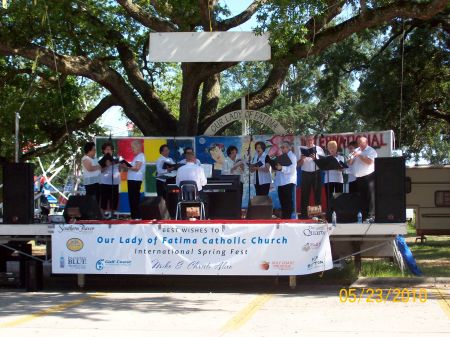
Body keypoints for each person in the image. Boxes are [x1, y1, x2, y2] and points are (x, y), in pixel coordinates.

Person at [348, 136, 378, 219]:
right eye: (358, 142)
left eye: (361, 142)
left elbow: (369, 162)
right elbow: (349, 163)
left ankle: (372, 215)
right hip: (359, 178)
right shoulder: (357, 150)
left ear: (366, 142)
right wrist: (351, 157)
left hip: (369, 176)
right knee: (362, 197)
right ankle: (364, 215)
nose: (359, 144)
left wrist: (359, 155)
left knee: (370, 196)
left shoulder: (371, 150)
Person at [297, 135, 325, 218]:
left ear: (313, 140)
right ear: (305, 140)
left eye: (311, 140)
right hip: (305, 173)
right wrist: (302, 159)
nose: (309, 141)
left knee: (317, 195)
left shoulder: (319, 149)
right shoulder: (301, 149)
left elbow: (323, 163)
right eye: (308, 140)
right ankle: (304, 216)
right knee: (305, 195)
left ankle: (317, 215)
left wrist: (315, 158)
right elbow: (298, 165)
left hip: (316, 173)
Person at [122, 140, 146, 219]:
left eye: (133, 148)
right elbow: (133, 168)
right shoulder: (136, 157)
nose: (132, 149)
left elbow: (136, 168)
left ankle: (136, 216)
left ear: (138, 147)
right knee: (132, 198)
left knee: (134, 199)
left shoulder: (141, 156)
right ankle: (134, 216)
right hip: (132, 179)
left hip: (135, 180)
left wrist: (127, 167)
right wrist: (125, 167)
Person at [274, 141, 297, 219]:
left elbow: (292, 170)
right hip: (281, 182)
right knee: (282, 202)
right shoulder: (282, 156)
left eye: (284, 147)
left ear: (289, 147)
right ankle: (284, 218)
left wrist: (282, 168)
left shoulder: (292, 156)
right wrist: (276, 168)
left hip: (288, 182)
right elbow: (279, 170)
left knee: (287, 202)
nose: (283, 149)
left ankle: (288, 219)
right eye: (282, 148)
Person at [99, 141, 120, 218]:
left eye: (110, 149)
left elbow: (120, 170)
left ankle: (113, 215)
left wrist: (122, 166)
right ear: (103, 151)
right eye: (107, 149)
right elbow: (100, 170)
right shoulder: (101, 159)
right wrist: (107, 165)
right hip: (104, 182)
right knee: (104, 200)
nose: (108, 151)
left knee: (114, 200)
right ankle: (102, 216)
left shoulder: (116, 159)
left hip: (115, 182)